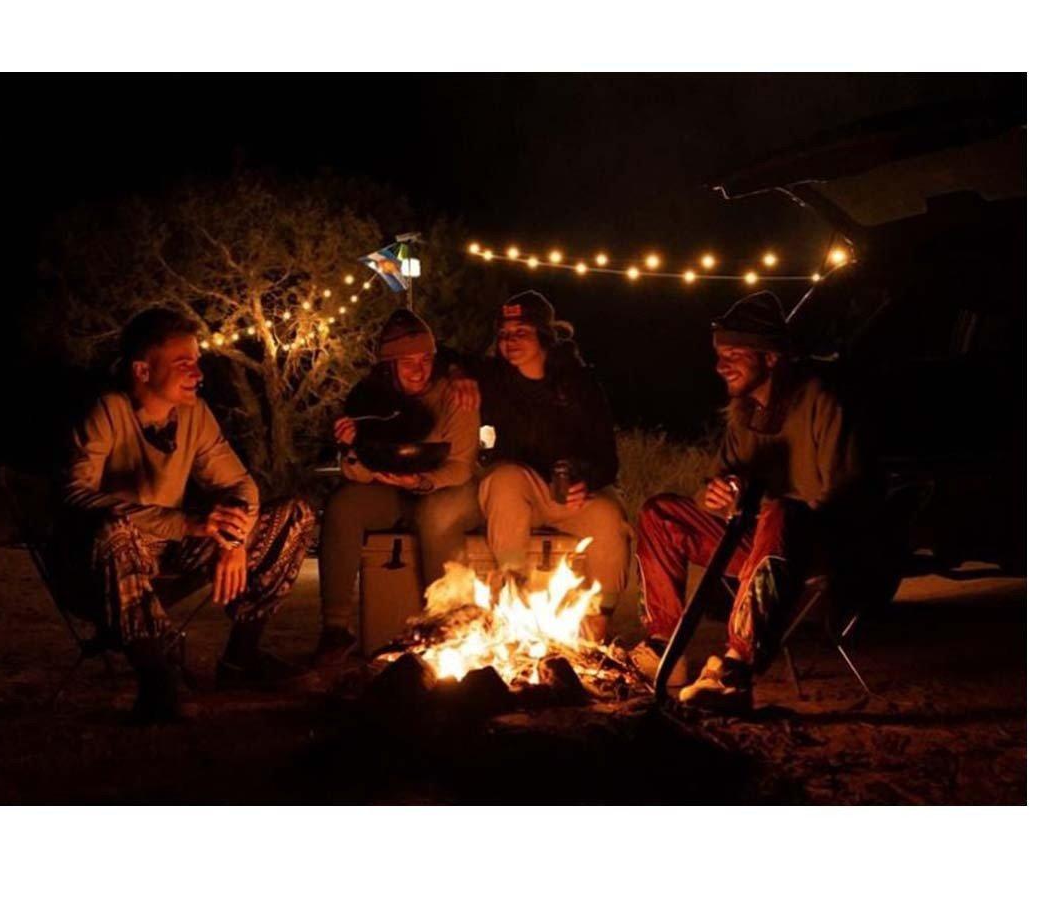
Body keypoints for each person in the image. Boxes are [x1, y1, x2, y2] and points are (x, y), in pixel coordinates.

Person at [59, 308, 315, 722]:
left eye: (197, 361)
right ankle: (157, 681)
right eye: (183, 363)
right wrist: (183, 524)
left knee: (293, 514)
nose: (198, 373)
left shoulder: (193, 414)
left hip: (170, 554)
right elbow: (75, 493)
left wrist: (233, 540)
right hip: (103, 568)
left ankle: (240, 658)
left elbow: (240, 485)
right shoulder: (108, 410)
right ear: (142, 370)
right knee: (115, 532)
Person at [635, 291, 870, 712]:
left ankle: (734, 671)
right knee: (660, 514)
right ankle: (662, 648)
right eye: (719, 354)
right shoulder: (744, 414)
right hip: (756, 542)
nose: (720, 365)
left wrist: (777, 514)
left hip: (812, 547)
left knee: (780, 512)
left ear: (771, 357)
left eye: (734, 354)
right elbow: (719, 486)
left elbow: (845, 495)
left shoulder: (821, 401)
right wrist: (717, 495)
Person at [453, 291, 631, 644]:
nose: (510, 342)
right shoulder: (493, 378)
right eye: (504, 334)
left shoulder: (578, 383)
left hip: (568, 493)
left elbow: (606, 456)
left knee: (608, 519)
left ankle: (596, 624)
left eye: (521, 332)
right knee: (504, 479)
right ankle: (513, 597)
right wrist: (458, 372)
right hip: (519, 493)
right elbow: (444, 355)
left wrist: (585, 478)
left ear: (544, 335)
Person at [316, 309, 481, 661]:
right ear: (390, 365)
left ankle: (446, 624)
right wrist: (353, 448)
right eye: (408, 362)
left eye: (425, 360)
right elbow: (356, 471)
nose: (419, 370)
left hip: (448, 487)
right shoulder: (370, 399)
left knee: (436, 513)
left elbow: (461, 466)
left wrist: (422, 481)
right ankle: (335, 629)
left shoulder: (454, 393)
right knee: (345, 505)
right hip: (394, 488)